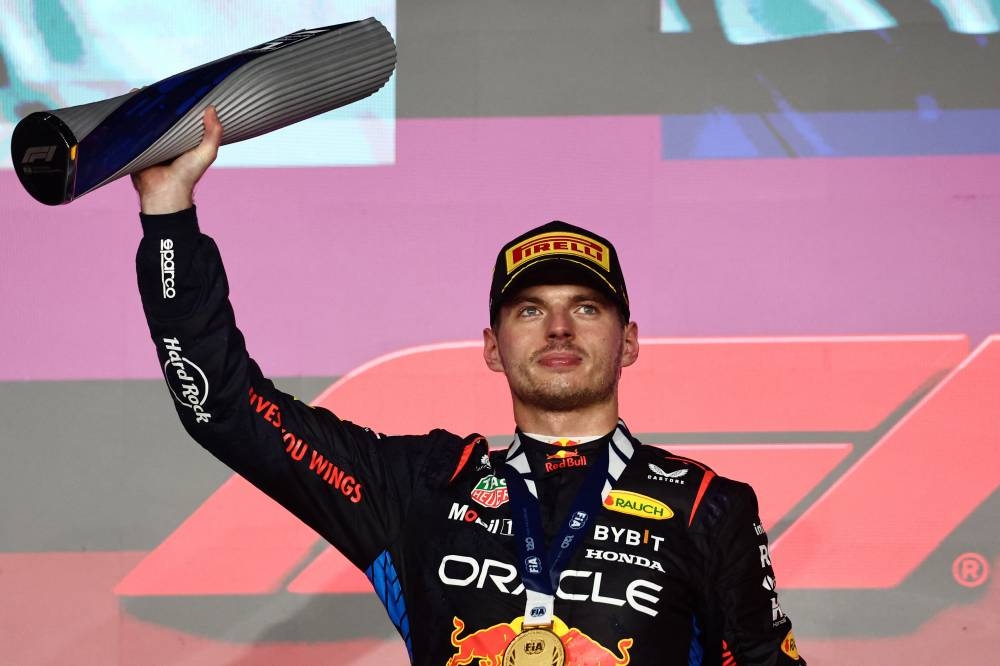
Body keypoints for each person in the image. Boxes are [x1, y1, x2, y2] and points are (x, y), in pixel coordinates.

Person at [133, 107, 805, 666]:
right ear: (492, 347)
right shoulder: (420, 488)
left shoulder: (706, 507)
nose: (561, 329)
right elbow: (223, 409)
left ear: (629, 342)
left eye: (588, 308)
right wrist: (168, 214)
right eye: (531, 311)